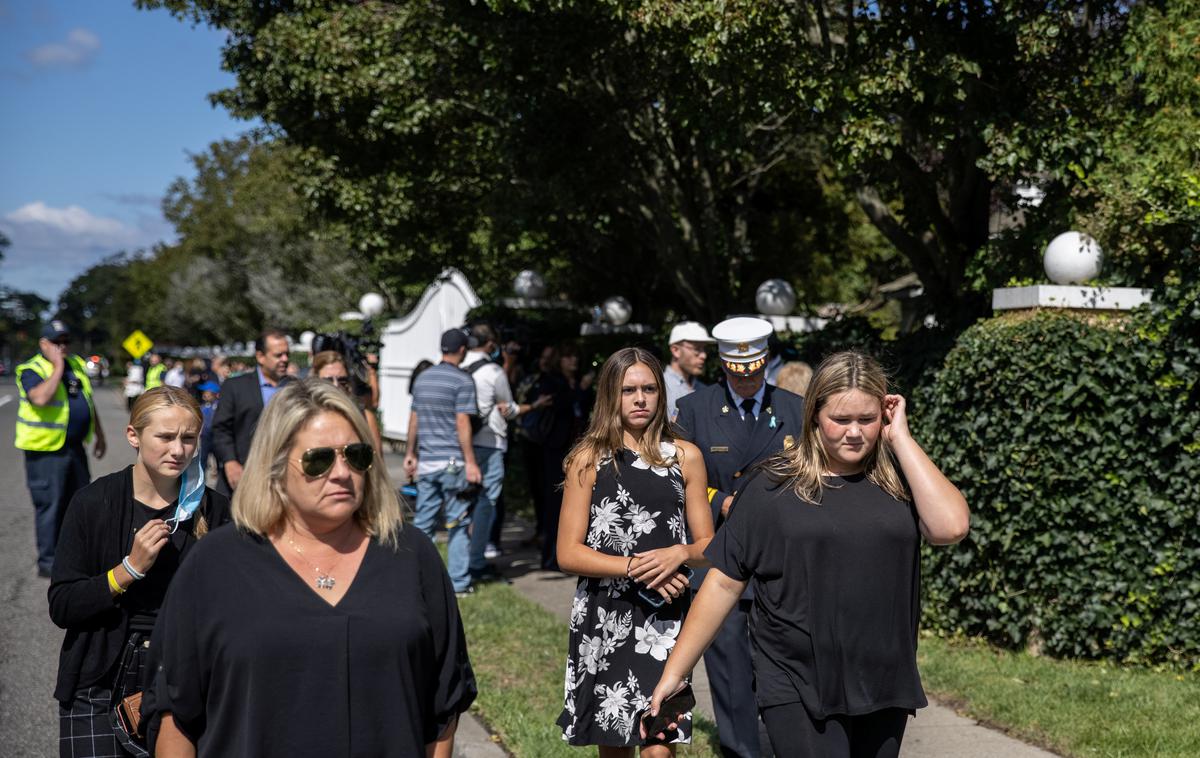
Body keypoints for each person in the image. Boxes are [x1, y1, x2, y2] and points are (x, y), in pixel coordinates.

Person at [646, 351, 970, 757]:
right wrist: (675, 673)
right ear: (814, 415)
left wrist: (900, 438)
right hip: (795, 679)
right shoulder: (772, 486)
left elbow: (950, 527)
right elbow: (724, 583)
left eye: (866, 420)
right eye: (841, 420)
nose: (854, 433)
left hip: (882, 678)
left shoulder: (901, 480)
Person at [147, 379, 477, 757]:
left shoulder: (412, 555)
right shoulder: (215, 563)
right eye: (319, 460)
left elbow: (445, 702)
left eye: (356, 455)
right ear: (275, 466)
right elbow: (175, 710)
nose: (341, 473)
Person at [48, 386, 230, 758]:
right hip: (101, 677)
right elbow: (63, 605)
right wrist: (127, 570)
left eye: (188, 438)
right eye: (164, 437)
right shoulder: (93, 503)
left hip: (186, 675)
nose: (177, 450)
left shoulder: (217, 510)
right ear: (133, 435)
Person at [554, 347, 714, 753]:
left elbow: (709, 546)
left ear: (662, 394)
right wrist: (634, 566)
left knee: (659, 741)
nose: (640, 399)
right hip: (605, 614)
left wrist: (678, 554)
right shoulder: (588, 459)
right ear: (611, 395)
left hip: (664, 617)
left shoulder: (684, 457)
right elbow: (568, 553)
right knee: (613, 741)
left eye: (649, 389)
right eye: (628, 390)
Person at [671, 316, 805, 758]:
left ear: (765, 362)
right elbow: (681, 480)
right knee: (728, 668)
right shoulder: (695, 410)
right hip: (722, 553)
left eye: (755, 370)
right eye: (736, 371)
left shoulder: (793, 409)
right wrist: (722, 502)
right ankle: (741, 751)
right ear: (724, 367)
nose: (746, 380)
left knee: (783, 665)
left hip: (780, 558)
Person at [15, 320, 107, 578]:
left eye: (66, 341)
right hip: (45, 451)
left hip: (74, 448)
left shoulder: (75, 365)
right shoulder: (32, 369)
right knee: (50, 506)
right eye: (57, 342)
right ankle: (49, 562)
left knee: (79, 503)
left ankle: (75, 557)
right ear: (43, 343)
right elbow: (41, 398)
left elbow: (87, 400)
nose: (63, 347)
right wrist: (57, 367)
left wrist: (99, 433)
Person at [461, 324, 550, 582]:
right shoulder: (493, 371)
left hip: (461, 443)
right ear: (490, 345)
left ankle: (461, 560)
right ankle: (477, 561)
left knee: (462, 503)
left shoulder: (458, 367)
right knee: (486, 503)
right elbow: (508, 409)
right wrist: (534, 405)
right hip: (490, 443)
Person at [403, 329, 483, 596]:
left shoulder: (423, 378)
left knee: (424, 523)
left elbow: (414, 419)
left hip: (427, 462)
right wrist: (471, 462)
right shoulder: (462, 381)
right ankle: (459, 582)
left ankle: (414, 577)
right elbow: (462, 422)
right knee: (458, 524)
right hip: (453, 464)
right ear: (461, 349)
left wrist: (410, 453)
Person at [210, 328, 291, 494]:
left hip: (285, 478)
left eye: (287, 354)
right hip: (244, 478)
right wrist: (230, 462)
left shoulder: (296, 388)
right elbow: (220, 429)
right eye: (278, 355)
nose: (285, 359)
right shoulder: (235, 387)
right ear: (260, 356)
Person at [540, 341, 594, 570]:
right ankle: (551, 556)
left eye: (575, 357)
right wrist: (579, 389)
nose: (572, 362)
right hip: (555, 448)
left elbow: (589, 406)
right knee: (553, 503)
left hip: (578, 447)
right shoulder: (552, 381)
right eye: (567, 357)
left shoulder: (580, 383)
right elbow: (559, 405)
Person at [312, 350, 384, 452]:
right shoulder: (304, 420)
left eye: (342, 380)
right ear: (315, 382)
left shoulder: (365, 418)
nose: (336, 385)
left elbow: (378, 463)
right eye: (328, 380)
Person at [663, 322, 714, 422]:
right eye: (697, 349)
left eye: (704, 349)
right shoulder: (659, 387)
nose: (703, 355)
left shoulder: (704, 389)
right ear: (675, 350)